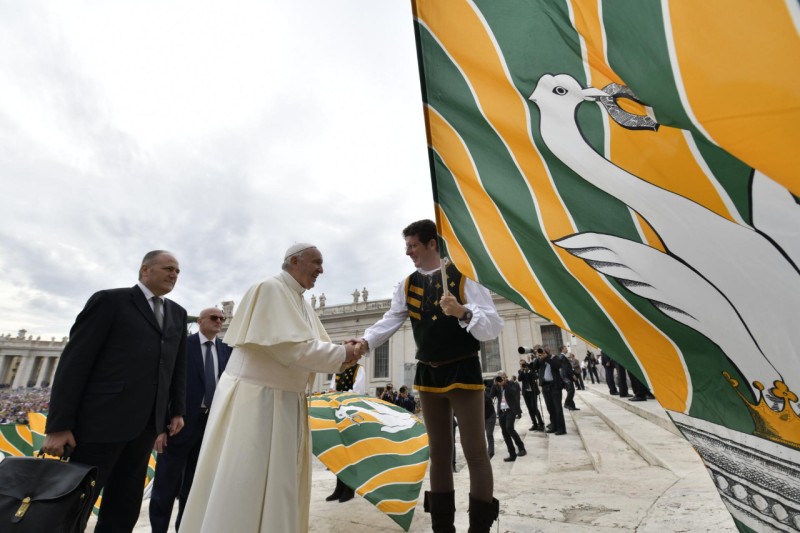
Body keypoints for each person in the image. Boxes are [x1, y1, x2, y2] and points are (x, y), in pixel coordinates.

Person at [180, 243, 362, 533]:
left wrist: (344, 354)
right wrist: (342, 353)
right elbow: (290, 348)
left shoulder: (301, 301)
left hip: (285, 401)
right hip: (257, 401)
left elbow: (315, 346)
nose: (321, 269)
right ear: (294, 261)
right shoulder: (270, 288)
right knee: (246, 481)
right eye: (316, 262)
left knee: (280, 482)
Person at [353, 219, 504, 533]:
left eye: (413, 245)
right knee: (439, 453)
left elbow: (492, 326)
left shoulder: (464, 276)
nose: (408, 252)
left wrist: (462, 312)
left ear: (432, 243)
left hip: (463, 369)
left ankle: (479, 528)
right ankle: (442, 527)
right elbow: (391, 319)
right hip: (428, 373)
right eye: (407, 246)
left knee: (475, 452)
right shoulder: (407, 285)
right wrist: (365, 342)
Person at [43, 250, 188, 533]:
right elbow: (75, 363)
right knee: (76, 503)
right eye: (168, 268)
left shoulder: (177, 314)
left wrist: (177, 410)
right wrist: (59, 426)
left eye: (177, 271)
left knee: (125, 505)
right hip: (100, 423)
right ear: (145, 270)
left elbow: (177, 367)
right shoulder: (110, 301)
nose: (174, 275)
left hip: (145, 426)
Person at [149, 307, 232, 533]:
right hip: (178, 425)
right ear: (200, 321)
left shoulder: (226, 350)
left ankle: (184, 529)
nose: (219, 321)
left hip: (209, 426)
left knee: (194, 487)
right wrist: (160, 428)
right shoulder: (182, 345)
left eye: (222, 318)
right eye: (214, 318)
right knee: (166, 486)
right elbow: (165, 386)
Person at [325, 362, 365, 503]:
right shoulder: (338, 370)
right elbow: (332, 388)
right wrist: (332, 394)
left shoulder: (358, 369)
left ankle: (349, 488)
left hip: (351, 414)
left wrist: (337, 395)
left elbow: (357, 392)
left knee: (349, 452)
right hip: (337, 412)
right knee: (339, 452)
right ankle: (339, 487)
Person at [531, 346, 567, 435]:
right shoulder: (541, 359)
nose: (542, 353)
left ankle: (561, 428)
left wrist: (546, 357)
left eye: (543, 351)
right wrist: (537, 357)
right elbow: (534, 367)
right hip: (545, 386)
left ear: (547, 351)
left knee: (557, 408)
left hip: (555, 386)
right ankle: (554, 426)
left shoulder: (554, 357)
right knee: (550, 407)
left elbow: (558, 366)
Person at [491, 372, 526, 462]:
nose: (501, 379)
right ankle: (512, 454)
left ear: (506, 377)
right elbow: (491, 395)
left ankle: (521, 448)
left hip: (510, 410)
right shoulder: (497, 386)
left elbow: (514, 393)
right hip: (501, 412)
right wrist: (495, 384)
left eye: (502, 377)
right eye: (499, 377)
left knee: (509, 428)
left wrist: (505, 384)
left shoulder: (511, 383)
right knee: (505, 433)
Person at [518, 357, 544, 431]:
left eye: (523, 364)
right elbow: (519, 379)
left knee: (534, 408)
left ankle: (541, 424)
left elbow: (536, 376)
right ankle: (534, 424)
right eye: (521, 364)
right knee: (529, 409)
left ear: (526, 363)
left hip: (533, 392)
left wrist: (528, 371)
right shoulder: (520, 371)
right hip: (526, 393)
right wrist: (522, 371)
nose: (522, 365)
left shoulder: (531, 369)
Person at [559, 345, 580, 411]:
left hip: (566, 376)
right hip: (566, 377)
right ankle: (566, 403)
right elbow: (566, 368)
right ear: (562, 349)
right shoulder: (562, 357)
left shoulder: (563, 357)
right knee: (571, 390)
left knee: (570, 391)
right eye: (565, 348)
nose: (567, 349)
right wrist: (573, 375)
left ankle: (572, 406)